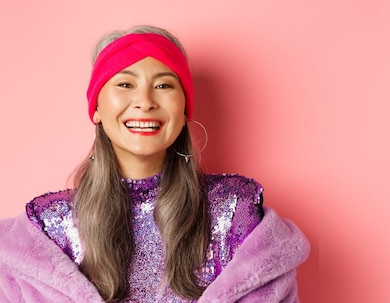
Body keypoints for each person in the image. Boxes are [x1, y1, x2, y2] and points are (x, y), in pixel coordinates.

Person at [0, 25, 309, 302]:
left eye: (163, 85)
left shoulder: (235, 207)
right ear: (96, 108)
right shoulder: (47, 226)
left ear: (184, 106)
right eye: (124, 84)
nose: (145, 101)